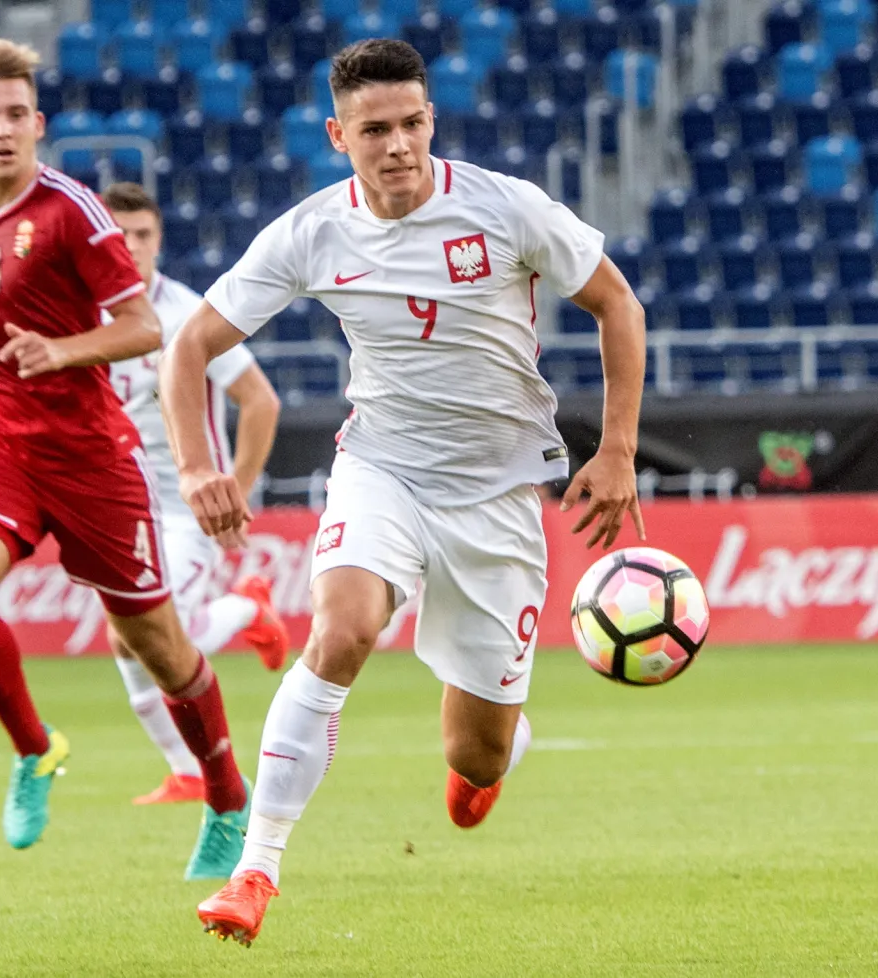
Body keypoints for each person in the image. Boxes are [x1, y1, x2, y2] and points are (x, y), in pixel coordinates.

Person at [160, 39, 648, 947]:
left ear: (432, 122)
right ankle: (256, 869)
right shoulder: (312, 231)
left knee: (476, 756)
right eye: (375, 129)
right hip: (382, 465)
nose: (397, 145)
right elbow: (189, 346)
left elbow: (620, 304)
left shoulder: (507, 209)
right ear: (337, 134)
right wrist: (197, 464)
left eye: (413, 123)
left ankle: (492, 751)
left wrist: (617, 450)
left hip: (500, 495)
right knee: (341, 630)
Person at [0, 40, 251, 877]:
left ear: (38, 125)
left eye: (15, 116)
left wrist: (65, 350)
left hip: (91, 456)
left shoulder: (75, 213)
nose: (2, 131)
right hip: (0, 445)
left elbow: (144, 327)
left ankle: (225, 797)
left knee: (161, 647)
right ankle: (34, 749)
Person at [101, 182, 291, 806]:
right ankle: (185, 770)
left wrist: (235, 488)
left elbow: (260, 400)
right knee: (123, 639)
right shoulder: (83, 317)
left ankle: (247, 610)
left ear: (159, 239)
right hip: (120, 506)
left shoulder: (186, 314)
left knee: (163, 628)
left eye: (143, 235)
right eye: (118, 234)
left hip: (186, 508)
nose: (130, 247)